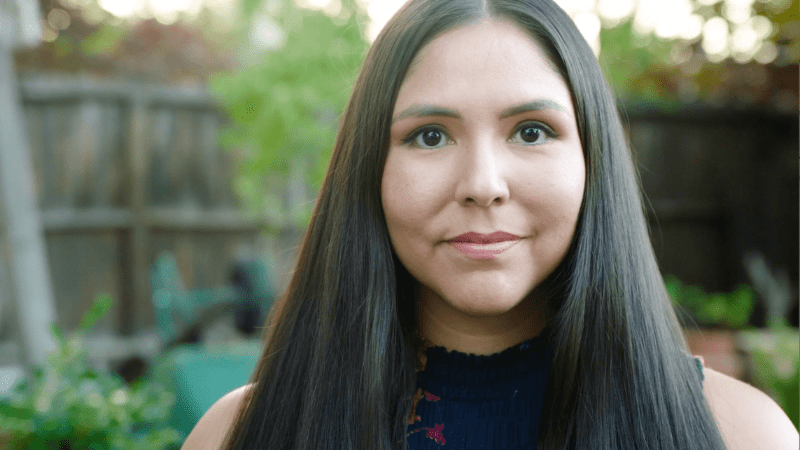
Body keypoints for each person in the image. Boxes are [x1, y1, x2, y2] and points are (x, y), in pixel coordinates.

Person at [181, 0, 799, 449]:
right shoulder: (232, 438)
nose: (482, 183)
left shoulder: (745, 436)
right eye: (429, 135)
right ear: (371, 169)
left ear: (593, 164)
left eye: (532, 131)